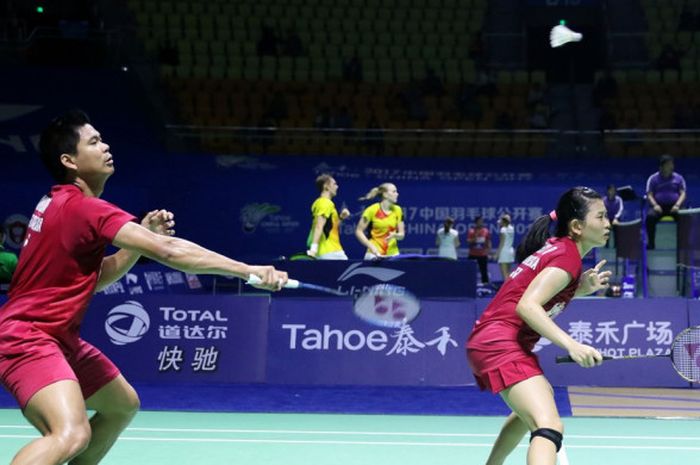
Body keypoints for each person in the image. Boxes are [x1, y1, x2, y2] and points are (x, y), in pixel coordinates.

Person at [0, 110, 288, 465]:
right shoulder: (85, 209)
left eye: (102, 139)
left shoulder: (59, 203)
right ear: (69, 161)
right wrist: (249, 271)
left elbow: (97, 277)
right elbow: (169, 251)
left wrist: (138, 242)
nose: (106, 147)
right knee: (71, 433)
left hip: (56, 337)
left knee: (121, 405)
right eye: (93, 142)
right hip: (28, 338)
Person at [466, 186, 611, 465]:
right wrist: (572, 344)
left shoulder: (559, 251)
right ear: (578, 226)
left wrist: (579, 288)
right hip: (501, 342)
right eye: (601, 217)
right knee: (549, 426)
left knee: (531, 410)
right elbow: (528, 306)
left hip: (492, 339)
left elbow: (532, 294)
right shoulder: (566, 256)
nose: (608, 223)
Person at [645, 154, 687, 249]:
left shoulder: (678, 178)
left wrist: (677, 205)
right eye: (669, 164)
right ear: (662, 166)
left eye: (672, 164)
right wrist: (655, 205)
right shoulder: (653, 178)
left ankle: (683, 244)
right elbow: (649, 195)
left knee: (685, 218)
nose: (672, 166)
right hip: (658, 207)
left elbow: (683, 193)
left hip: (675, 206)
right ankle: (651, 243)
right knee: (650, 217)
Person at [355, 183, 404, 260]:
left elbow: (402, 235)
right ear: (385, 194)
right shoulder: (372, 210)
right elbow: (359, 231)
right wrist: (371, 247)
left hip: (393, 254)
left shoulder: (398, 210)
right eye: (394, 191)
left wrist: (395, 235)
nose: (397, 194)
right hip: (374, 253)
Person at [306, 174, 350, 260]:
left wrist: (341, 218)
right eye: (334, 184)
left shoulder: (321, 203)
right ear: (326, 186)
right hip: (330, 252)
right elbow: (319, 226)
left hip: (332, 251)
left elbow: (329, 227)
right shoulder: (325, 203)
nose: (337, 187)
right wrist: (313, 249)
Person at [468, 216, 491, 283]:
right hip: (473, 254)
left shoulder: (486, 231)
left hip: (482, 254)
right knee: (470, 271)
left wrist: (488, 252)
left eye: (481, 221)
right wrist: (475, 238)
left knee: (484, 271)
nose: (480, 223)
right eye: (479, 222)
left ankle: (486, 286)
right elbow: (469, 242)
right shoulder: (471, 231)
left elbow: (488, 242)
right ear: (476, 222)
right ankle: (469, 284)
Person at [495, 214, 515, 281]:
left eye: (500, 221)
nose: (499, 222)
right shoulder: (511, 228)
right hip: (510, 252)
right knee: (508, 273)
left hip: (504, 252)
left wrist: (497, 254)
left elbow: (502, 243)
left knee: (505, 275)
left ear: (503, 222)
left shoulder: (503, 230)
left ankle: (507, 290)